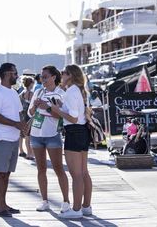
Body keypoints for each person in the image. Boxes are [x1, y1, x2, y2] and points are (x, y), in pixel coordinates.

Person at [51, 64, 92, 219]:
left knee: (76, 175)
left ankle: (75, 210)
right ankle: (86, 206)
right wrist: (62, 107)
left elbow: (73, 118)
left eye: (63, 73)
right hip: (83, 131)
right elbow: (77, 113)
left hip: (73, 132)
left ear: (70, 75)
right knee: (83, 172)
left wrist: (57, 111)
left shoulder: (70, 91)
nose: (61, 75)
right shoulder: (80, 90)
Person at [27, 65, 70, 212]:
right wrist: (35, 106)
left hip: (52, 135)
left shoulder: (61, 93)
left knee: (59, 169)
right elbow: (30, 113)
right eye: (41, 77)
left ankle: (66, 201)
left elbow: (63, 116)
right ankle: (44, 201)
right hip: (36, 135)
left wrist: (47, 107)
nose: (42, 79)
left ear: (54, 77)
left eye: (45, 76)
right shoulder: (38, 91)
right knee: (41, 169)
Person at [0, 62, 26, 217]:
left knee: (7, 173)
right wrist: (15, 124)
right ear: (7, 74)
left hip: (13, 138)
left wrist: (22, 126)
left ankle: (4, 204)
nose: (16, 76)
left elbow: (19, 113)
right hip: (1, 138)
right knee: (1, 173)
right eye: (14, 73)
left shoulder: (13, 93)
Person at [19, 76, 35, 160]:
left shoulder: (21, 93)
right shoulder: (31, 94)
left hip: (22, 115)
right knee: (28, 135)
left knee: (22, 135)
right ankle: (29, 153)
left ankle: (21, 151)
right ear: (31, 84)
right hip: (29, 116)